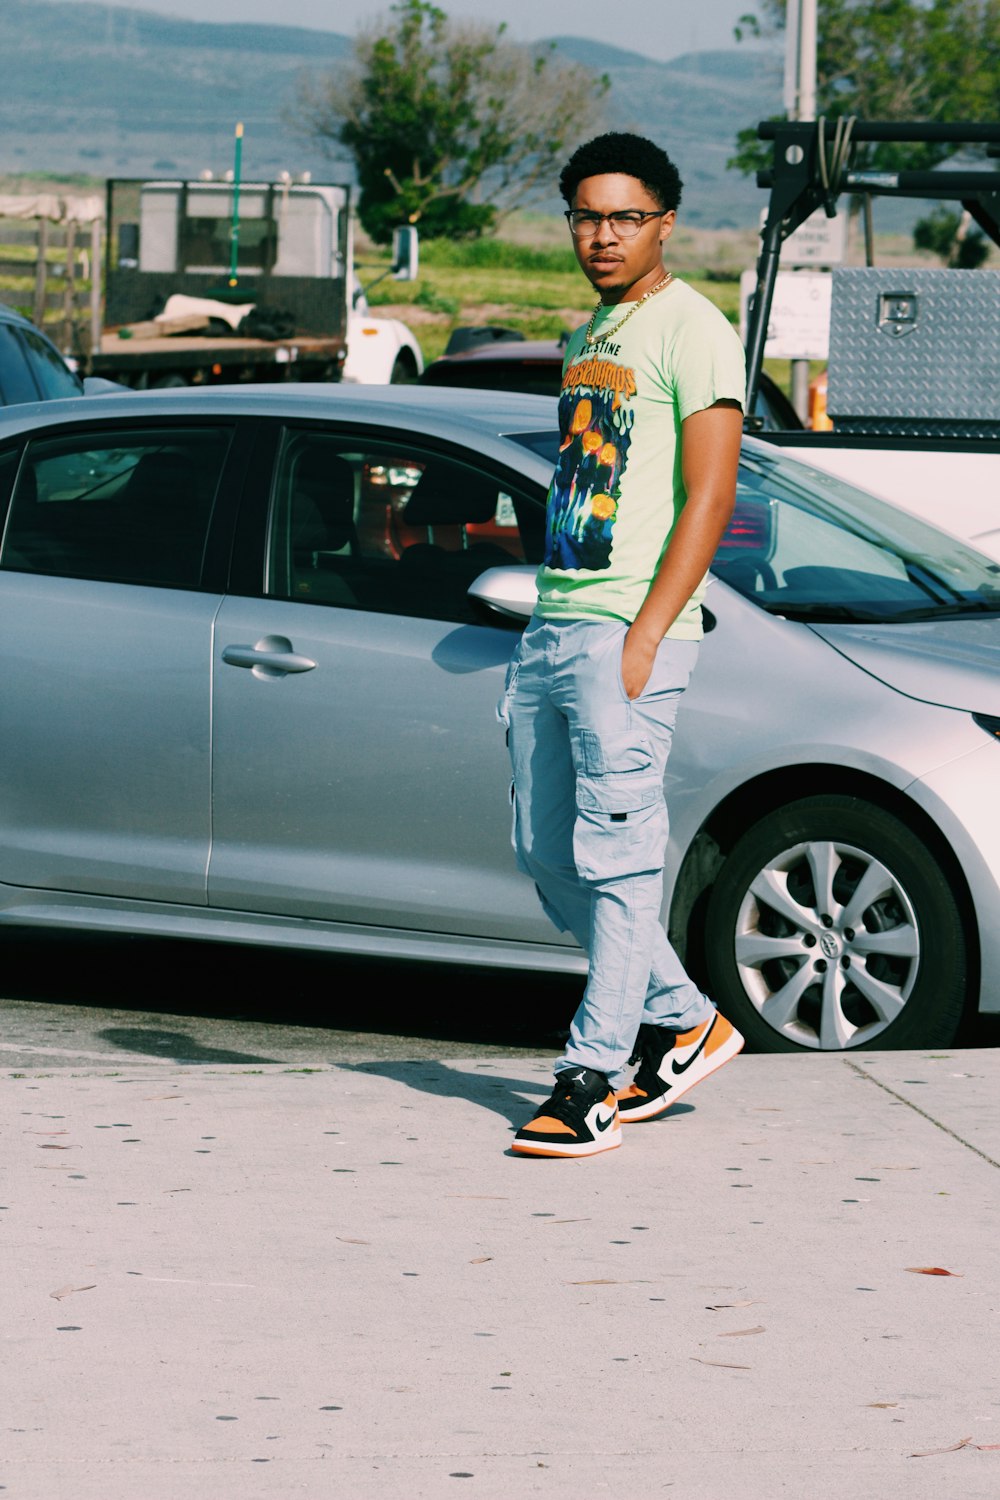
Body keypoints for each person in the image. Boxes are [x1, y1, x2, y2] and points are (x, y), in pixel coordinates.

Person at [499, 131, 747, 1159]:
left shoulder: (693, 329)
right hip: (555, 621)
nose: (601, 236)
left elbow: (711, 492)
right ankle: (688, 1017)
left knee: (616, 858)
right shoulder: (591, 330)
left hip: (626, 632)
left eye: (622, 217)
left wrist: (646, 630)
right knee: (544, 852)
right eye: (586, 217)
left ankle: (590, 1074)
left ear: (664, 223)